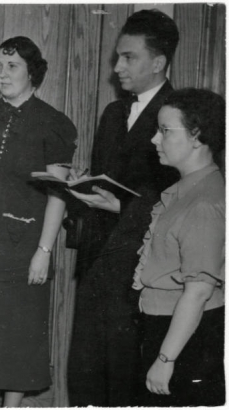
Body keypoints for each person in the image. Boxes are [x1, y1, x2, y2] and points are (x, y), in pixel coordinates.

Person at [67, 9, 181, 406]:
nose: (117, 68)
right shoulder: (113, 113)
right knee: (86, 370)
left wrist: (121, 207)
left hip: (141, 268)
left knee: (124, 374)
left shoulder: (180, 116)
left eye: (128, 57)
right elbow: (106, 177)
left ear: (159, 62)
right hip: (97, 258)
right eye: (118, 57)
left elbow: (181, 195)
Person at [0, 36, 77, 407]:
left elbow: (58, 194)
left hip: (24, 245)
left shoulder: (53, 123)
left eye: (12, 66)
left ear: (33, 73)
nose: (2, 74)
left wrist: (44, 250)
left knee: (16, 338)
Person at [133, 88, 225, 406]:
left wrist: (166, 359)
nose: (155, 140)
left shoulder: (205, 201)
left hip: (185, 338)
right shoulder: (187, 190)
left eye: (165, 131)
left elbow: (198, 291)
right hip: (167, 326)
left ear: (197, 135)